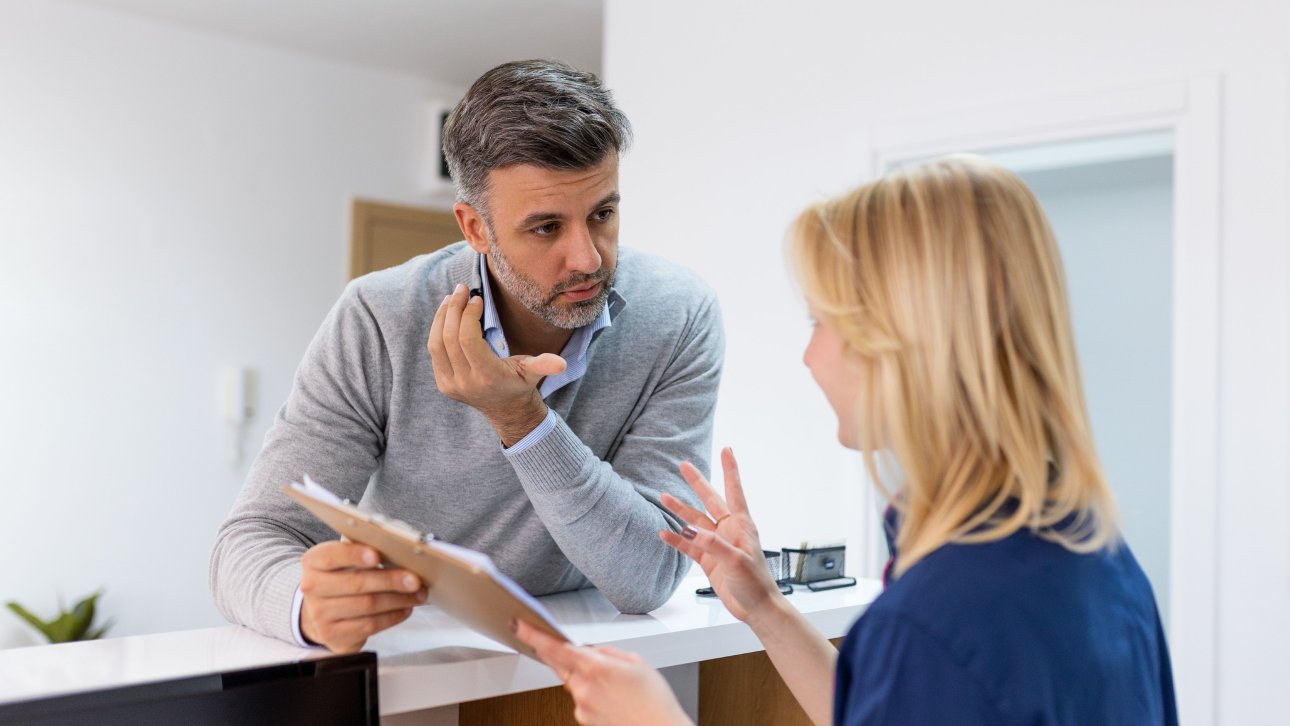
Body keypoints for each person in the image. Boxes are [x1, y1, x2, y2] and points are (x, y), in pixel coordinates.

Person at [515, 155, 1178, 725]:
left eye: (821, 321)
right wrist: (766, 610)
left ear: (901, 343)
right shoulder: (1091, 553)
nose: (810, 356)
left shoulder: (937, 621)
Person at [209, 60, 724, 653]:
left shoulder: (679, 313)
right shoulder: (380, 316)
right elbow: (249, 541)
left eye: (602, 214)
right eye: (546, 227)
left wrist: (524, 425)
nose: (587, 258)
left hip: (583, 664)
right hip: (417, 665)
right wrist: (305, 602)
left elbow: (649, 575)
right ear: (474, 227)